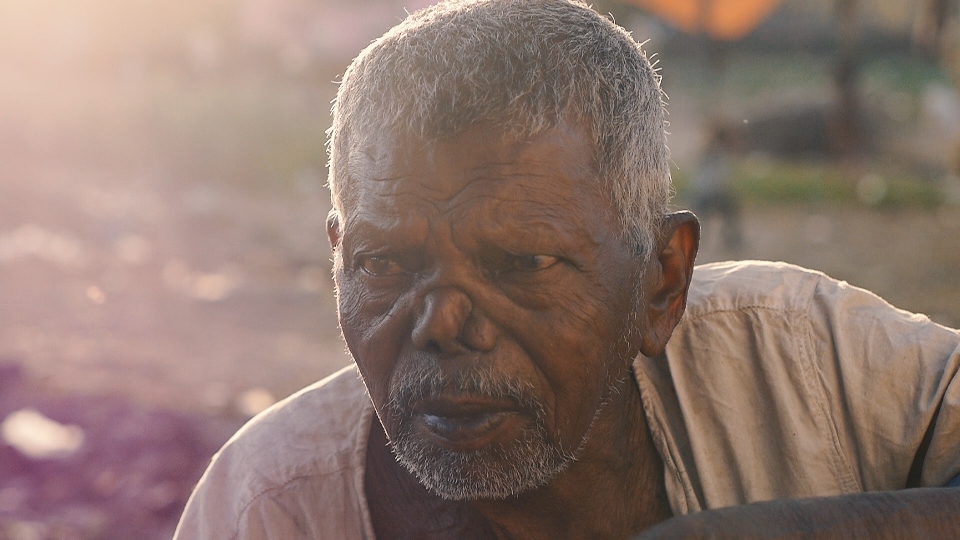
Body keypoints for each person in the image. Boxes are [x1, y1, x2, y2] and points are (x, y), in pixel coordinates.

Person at [173, 1, 960, 538]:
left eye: (521, 263)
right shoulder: (267, 506)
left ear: (662, 281)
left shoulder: (805, 364)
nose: (442, 322)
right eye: (385, 263)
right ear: (340, 258)